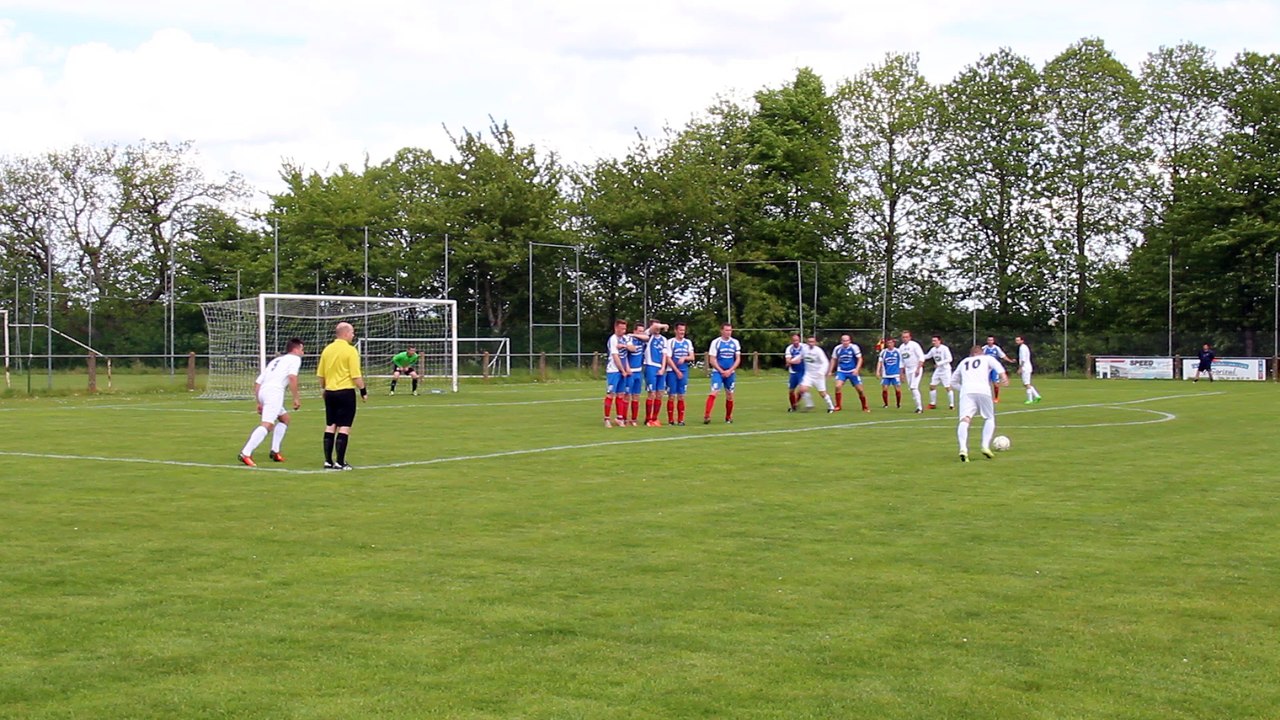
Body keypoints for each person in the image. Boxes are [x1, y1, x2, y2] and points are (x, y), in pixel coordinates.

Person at [238, 338, 304, 467]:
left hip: (263, 391)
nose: (303, 352)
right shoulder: (295, 359)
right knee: (267, 424)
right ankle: (245, 453)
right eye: (302, 349)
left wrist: (259, 401)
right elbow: (292, 377)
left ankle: (275, 451)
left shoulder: (276, 360)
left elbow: (257, 383)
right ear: (296, 349)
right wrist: (296, 398)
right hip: (274, 393)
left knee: (285, 419)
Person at [317, 322, 367, 470]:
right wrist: (363, 391)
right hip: (345, 392)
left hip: (330, 392)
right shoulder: (350, 351)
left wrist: (325, 388)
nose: (353, 335)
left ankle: (328, 461)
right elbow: (356, 375)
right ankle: (340, 461)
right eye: (352, 333)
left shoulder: (327, 350)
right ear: (345, 333)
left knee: (330, 425)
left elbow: (321, 375)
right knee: (344, 427)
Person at [950, 345, 1010, 462]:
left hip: (966, 392)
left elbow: (952, 381)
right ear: (981, 353)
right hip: (983, 390)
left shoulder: (964, 362)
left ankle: (963, 449)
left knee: (965, 419)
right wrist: (1004, 378)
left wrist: (962, 388)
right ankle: (985, 446)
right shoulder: (987, 358)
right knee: (989, 418)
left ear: (971, 354)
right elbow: (999, 367)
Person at [704, 323, 741, 424]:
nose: (728, 332)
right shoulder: (716, 342)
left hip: (730, 373)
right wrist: (721, 371)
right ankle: (707, 415)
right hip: (718, 372)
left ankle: (728, 417)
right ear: (721, 331)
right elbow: (712, 359)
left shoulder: (735, 342)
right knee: (714, 392)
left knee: (730, 395)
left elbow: (737, 359)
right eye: (726, 330)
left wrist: (730, 370)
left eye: (730, 330)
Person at [828, 334, 870, 412]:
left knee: (860, 390)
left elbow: (860, 359)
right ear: (841, 341)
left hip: (852, 371)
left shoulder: (854, 347)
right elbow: (833, 359)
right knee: (837, 386)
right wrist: (830, 371)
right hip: (842, 371)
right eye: (844, 341)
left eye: (847, 340)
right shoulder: (837, 348)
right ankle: (838, 406)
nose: (845, 342)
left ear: (850, 341)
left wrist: (857, 369)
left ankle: (865, 406)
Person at [665, 323, 695, 425]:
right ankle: (670, 420)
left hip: (684, 371)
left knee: (681, 396)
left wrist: (684, 358)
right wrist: (676, 371)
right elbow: (668, 358)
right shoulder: (670, 342)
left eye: (683, 330)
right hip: (672, 372)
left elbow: (692, 357)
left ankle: (681, 420)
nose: (682, 332)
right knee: (671, 396)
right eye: (680, 330)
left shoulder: (687, 342)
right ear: (675, 331)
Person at [796, 335, 836, 412]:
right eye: (809, 342)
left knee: (822, 393)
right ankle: (809, 404)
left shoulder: (818, 351)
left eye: (812, 342)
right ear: (807, 342)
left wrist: (822, 372)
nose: (811, 343)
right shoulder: (804, 349)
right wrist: (792, 361)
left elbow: (825, 362)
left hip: (818, 375)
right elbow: (800, 357)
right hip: (808, 374)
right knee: (802, 389)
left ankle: (831, 406)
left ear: (815, 342)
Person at [643, 319, 671, 426]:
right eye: (657, 327)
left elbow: (664, 354)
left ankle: (655, 418)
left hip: (660, 368)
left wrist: (663, 368)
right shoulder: (648, 336)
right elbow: (654, 327)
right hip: (650, 366)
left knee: (660, 394)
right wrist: (664, 325)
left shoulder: (664, 340)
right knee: (651, 393)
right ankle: (648, 418)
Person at [604, 319, 630, 428]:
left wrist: (624, 346)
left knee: (621, 394)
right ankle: (606, 419)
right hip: (614, 370)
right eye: (621, 329)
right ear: (616, 328)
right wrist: (622, 370)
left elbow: (632, 349)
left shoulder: (624, 339)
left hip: (622, 370)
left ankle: (619, 418)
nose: (623, 331)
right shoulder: (613, 339)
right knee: (611, 394)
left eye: (625, 329)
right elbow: (616, 357)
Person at [624, 323, 649, 427]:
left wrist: (637, 335)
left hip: (639, 372)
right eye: (639, 331)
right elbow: (628, 351)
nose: (641, 333)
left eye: (642, 331)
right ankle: (624, 418)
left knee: (636, 396)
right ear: (634, 331)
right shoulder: (628, 339)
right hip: (630, 371)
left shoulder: (641, 340)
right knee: (626, 396)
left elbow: (647, 337)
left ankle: (633, 419)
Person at [900, 330, 927, 413]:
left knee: (914, 387)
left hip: (915, 368)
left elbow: (921, 357)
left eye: (906, 337)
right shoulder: (901, 347)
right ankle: (917, 406)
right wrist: (901, 373)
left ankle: (920, 408)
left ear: (910, 337)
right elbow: (901, 361)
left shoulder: (914, 345)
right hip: (908, 370)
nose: (905, 339)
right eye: (903, 337)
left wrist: (918, 368)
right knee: (911, 388)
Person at [925, 335, 954, 410]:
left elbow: (949, 359)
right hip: (938, 371)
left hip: (945, 370)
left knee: (948, 387)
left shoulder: (944, 348)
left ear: (939, 341)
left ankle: (952, 405)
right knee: (932, 386)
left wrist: (939, 363)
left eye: (935, 341)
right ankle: (932, 404)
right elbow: (927, 356)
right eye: (932, 341)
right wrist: (919, 357)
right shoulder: (933, 349)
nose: (933, 342)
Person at [982, 336, 1013, 403]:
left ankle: (996, 398)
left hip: (994, 369)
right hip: (986, 368)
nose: (990, 341)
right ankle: (986, 397)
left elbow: (1003, 356)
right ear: (987, 341)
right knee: (985, 384)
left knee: (995, 384)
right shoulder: (984, 348)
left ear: (993, 341)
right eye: (989, 340)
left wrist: (1010, 360)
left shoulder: (996, 348)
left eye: (991, 340)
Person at [1014, 336, 1042, 404]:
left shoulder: (1023, 348)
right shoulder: (1023, 347)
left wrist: (1020, 368)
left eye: (1018, 340)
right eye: (1016, 340)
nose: (1016, 342)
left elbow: (1023, 359)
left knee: (1027, 384)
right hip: (1026, 367)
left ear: (1022, 341)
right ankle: (1037, 396)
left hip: (1025, 367)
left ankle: (1030, 399)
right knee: (1026, 383)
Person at [876, 338, 903, 409]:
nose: (890, 344)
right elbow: (880, 362)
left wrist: (902, 373)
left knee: (897, 390)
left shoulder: (898, 351)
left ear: (893, 343)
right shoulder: (883, 352)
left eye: (891, 343)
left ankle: (898, 404)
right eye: (888, 343)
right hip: (886, 374)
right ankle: (886, 404)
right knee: (884, 389)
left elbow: (901, 363)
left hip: (895, 374)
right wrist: (878, 371)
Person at [784, 333, 806, 412]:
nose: (795, 342)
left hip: (803, 371)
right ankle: (793, 406)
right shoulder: (789, 348)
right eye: (794, 340)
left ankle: (795, 404)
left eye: (797, 340)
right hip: (793, 372)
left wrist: (792, 361)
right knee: (791, 391)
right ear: (791, 341)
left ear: (799, 340)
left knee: (802, 389)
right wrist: (794, 361)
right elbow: (788, 361)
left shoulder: (804, 347)